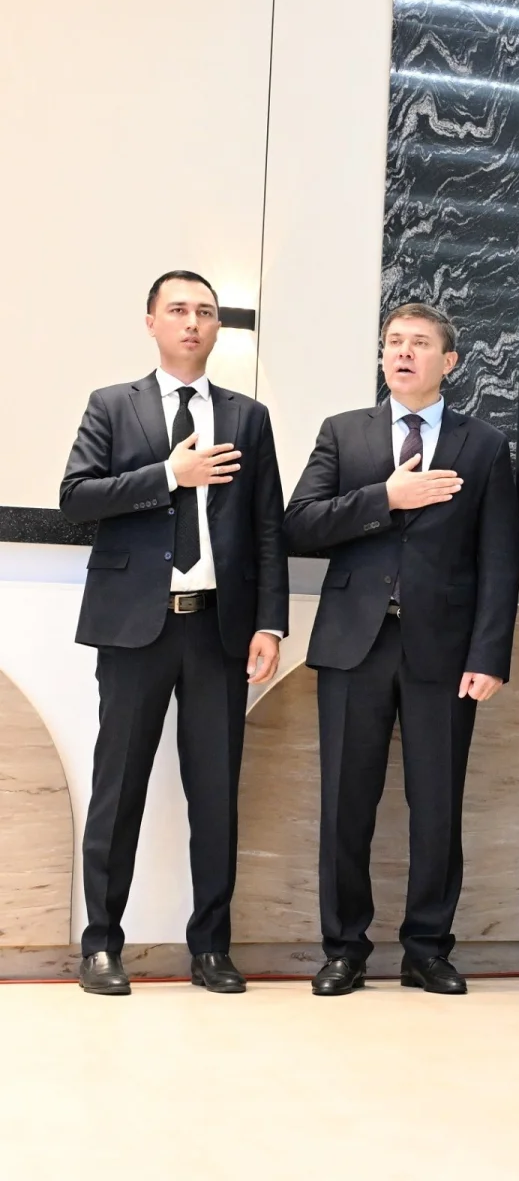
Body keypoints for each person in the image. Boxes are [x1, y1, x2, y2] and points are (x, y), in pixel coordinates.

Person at [57, 271, 288, 996]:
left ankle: (211, 948)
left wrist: (270, 623)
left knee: (215, 793)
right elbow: (76, 498)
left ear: (218, 328)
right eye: (179, 309)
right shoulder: (112, 405)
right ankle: (102, 945)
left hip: (219, 629)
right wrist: (169, 474)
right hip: (135, 629)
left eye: (206, 311)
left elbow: (268, 528)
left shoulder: (248, 417)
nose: (192, 321)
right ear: (151, 321)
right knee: (118, 788)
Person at [285, 303, 519, 997]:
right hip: (353, 644)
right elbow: (300, 523)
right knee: (345, 803)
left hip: (443, 651)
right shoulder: (343, 432)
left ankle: (427, 948)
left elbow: (498, 559)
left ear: (450, 361)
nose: (403, 352)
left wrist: (489, 654)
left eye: (420, 343)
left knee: (437, 803)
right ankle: (344, 949)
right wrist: (384, 497)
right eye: (394, 342)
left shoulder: (484, 445)